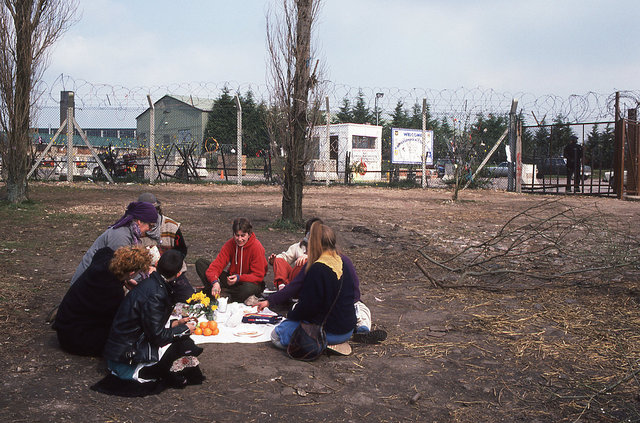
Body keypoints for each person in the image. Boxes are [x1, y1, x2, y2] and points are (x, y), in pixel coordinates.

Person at [100, 250, 204, 395]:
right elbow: (157, 336)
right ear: (178, 274)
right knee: (184, 344)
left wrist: (175, 324)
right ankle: (144, 372)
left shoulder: (152, 284)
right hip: (126, 358)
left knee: (182, 343)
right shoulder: (156, 293)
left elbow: (147, 324)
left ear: (156, 264)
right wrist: (183, 329)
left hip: (122, 350)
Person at [270, 222, 356, 351]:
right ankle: (330, 343)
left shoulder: (317, 268)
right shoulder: (344, 261)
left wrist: (291, 315)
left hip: (329, 331)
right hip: (347, 330)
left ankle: (322, 343)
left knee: (277, 334)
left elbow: (307, 308)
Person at [54, 246, 153, 356]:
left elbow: (104, 250)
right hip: (75, 337)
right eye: (137, 272)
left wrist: (124, 281)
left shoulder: (105, 259)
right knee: (128, 339)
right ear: (132, 273)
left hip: (66, 323)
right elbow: (120, 319)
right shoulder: (110, 288)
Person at [70, 201, 158, 285]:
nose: (149, 230)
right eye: (150, 226)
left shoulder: (129, 233)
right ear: (139, 221)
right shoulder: (121, 236)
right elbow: (122, 268)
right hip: (88, 285)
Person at [137, 193, 195, 303]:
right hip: (146, 275)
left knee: (190, 300)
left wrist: (168, 265)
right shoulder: (136, 229)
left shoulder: (171, 226)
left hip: (173, 274)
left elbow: (182, 251)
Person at [195, 217, 268, 303]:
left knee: (248, 289)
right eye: (237, 235)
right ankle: (221, 292)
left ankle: (222, 295)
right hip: (231, 280)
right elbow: (217, 265)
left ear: (249, 234)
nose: (239, 239)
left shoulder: (256, 247)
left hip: (249, 282)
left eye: (243, 235)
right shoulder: (230, 244)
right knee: (201, 263)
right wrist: (215, 282)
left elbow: (258, 276)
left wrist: (239, 278)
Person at [268, 217, 321, 289]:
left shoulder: (324, 248)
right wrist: (274, 260)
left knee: (303, 262)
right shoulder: (298, 246)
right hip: (294, 278)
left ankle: (288, 289)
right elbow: (285, 258)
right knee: (279, 259)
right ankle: (281, 286)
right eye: (309, 234)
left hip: (308, 281)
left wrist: (309, 257)